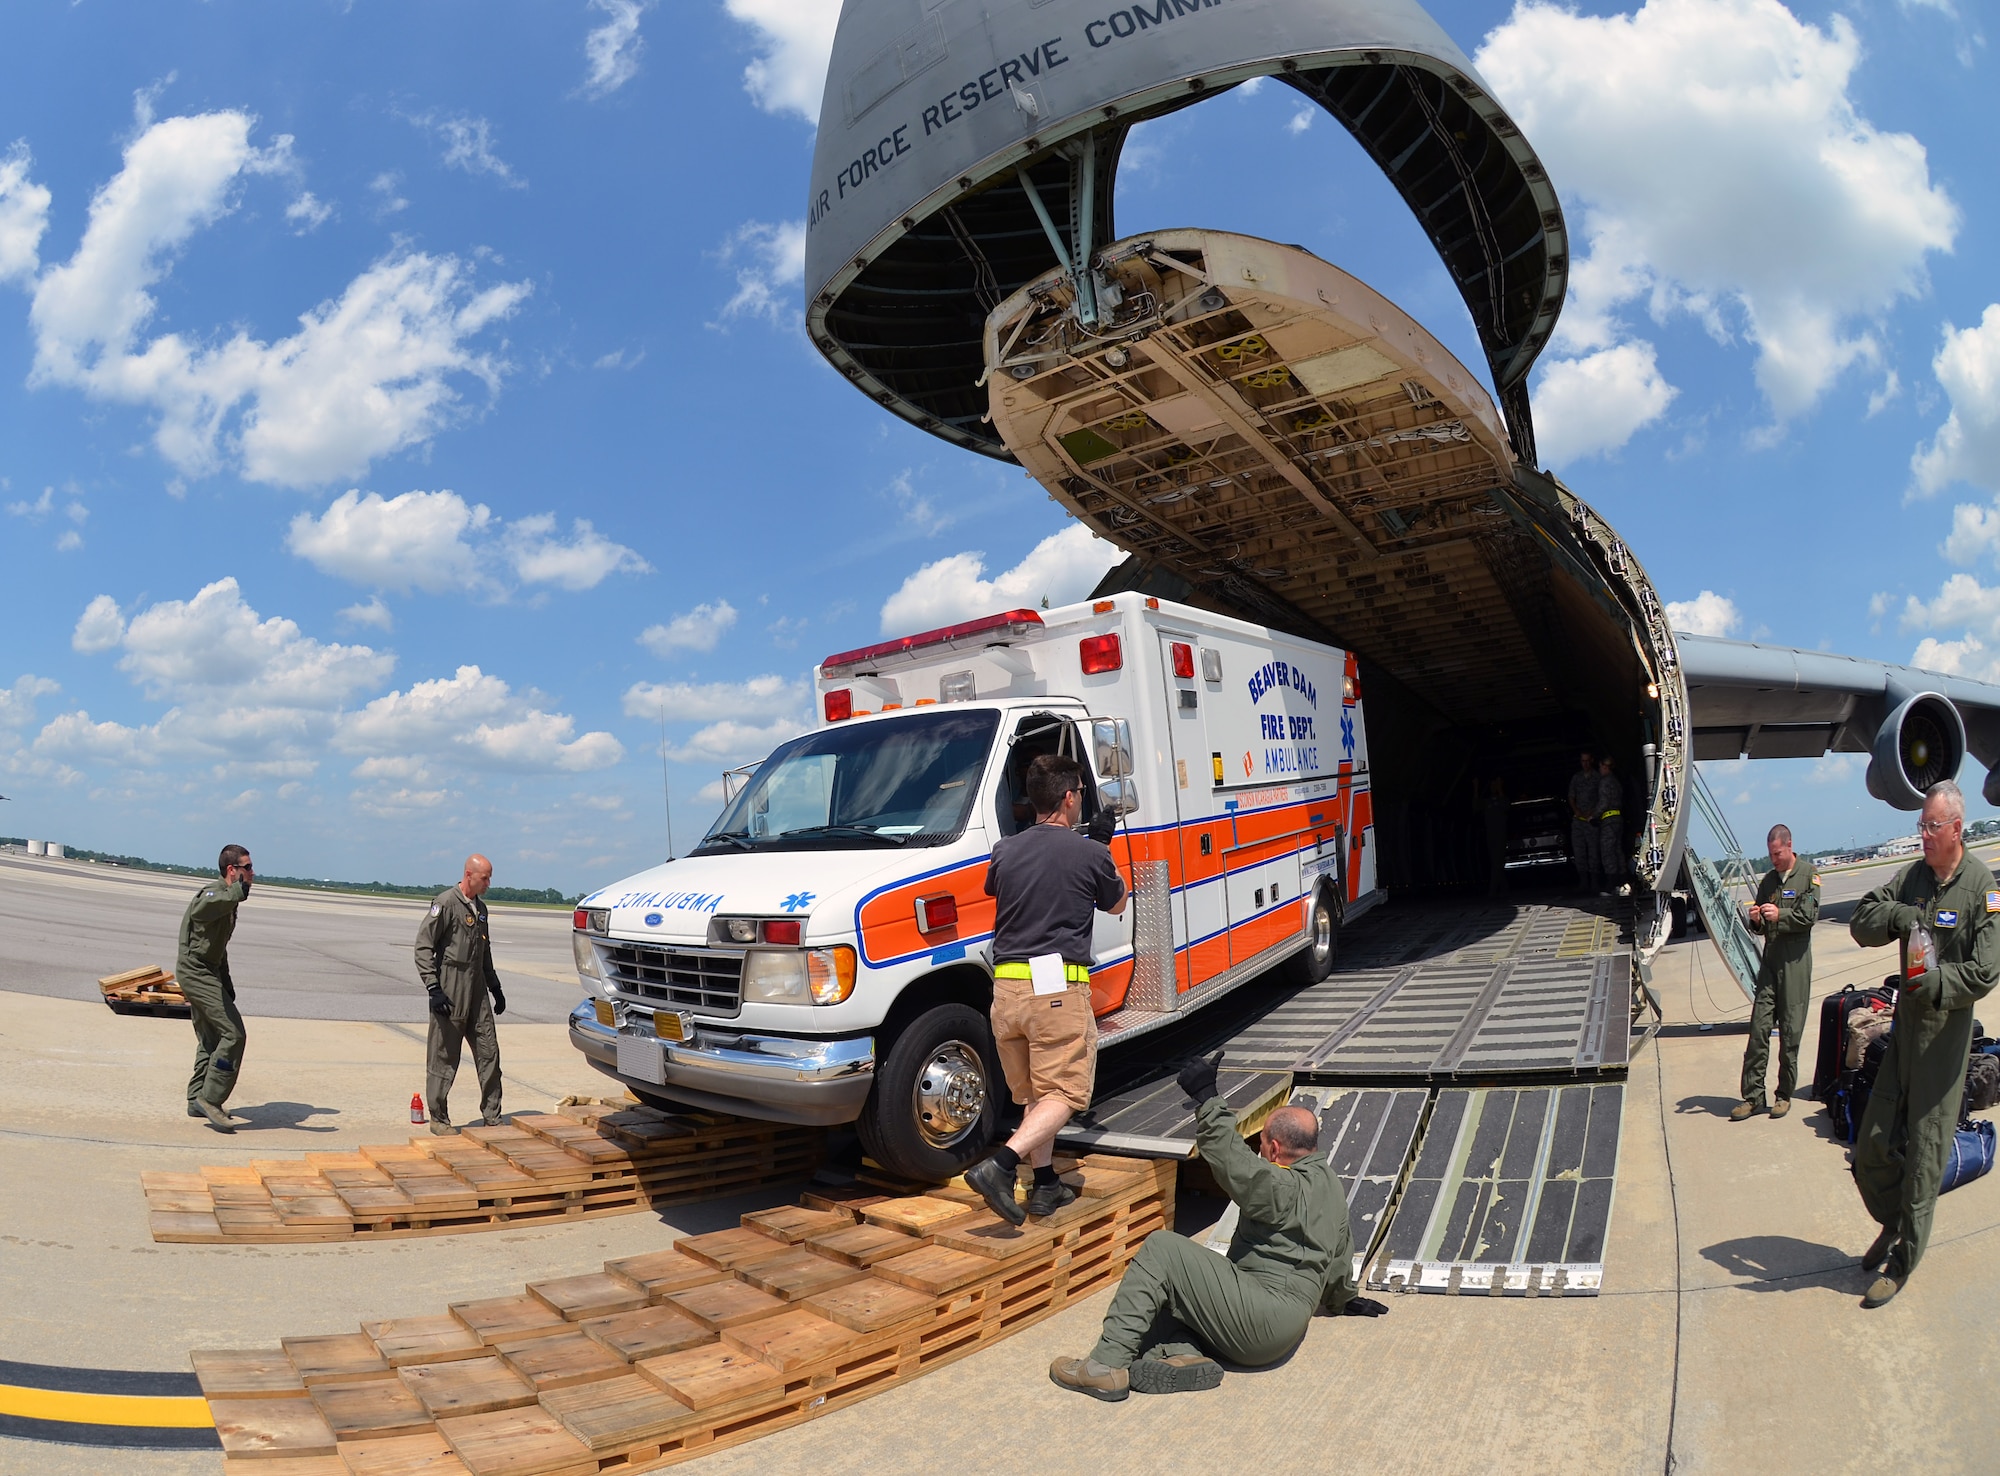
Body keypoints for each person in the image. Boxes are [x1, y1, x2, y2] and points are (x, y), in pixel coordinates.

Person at [1048, 1053, 1385, 1400]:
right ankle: (1184, 1355)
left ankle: (1103, 1367)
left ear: (1273, 1147)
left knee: (1163, 1249)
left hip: (1260, 1320)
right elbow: (1340, 1256)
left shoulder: (1281, 1186)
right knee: (1170, 1296)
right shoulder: (1331, 1187)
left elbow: (1231, 1158)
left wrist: (1208, 1098)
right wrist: (1345, 1300)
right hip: (1286, 1325)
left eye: (1261, 1145)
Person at [1848, 780, 1998, 1308]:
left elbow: (1986, 969)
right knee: (1872, 1144)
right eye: (1921, 826)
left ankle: (1902, 1260)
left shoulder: (1983, 888)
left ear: (1956, 828)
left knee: (1925, 1155)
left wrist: (1938, 984)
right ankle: (1892, 1221)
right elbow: (1864, 920)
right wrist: (1900, 915)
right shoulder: (1913, 877)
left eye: (1932, 826)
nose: (1924, 835)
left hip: (1943, 1043)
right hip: (1905, 1033)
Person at [964, 753, 1127, 1224]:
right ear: (1070, 797)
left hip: (1007, 994)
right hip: (1057, 992)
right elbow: (1116, 905)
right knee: (1066, 1094)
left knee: (1037, 1093)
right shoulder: (1090, 852)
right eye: (1078, 792)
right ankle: (1001, 1166)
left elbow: (1004, 888)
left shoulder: (1006, 850)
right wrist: (1100, 845)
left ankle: (1046, 1185)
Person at [1731, 824, 1821, 1121]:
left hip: (1795, 963)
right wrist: (1755, 919)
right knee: (1759, 1029)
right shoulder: (1769, 880)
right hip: (1771, 962)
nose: (1774, 860)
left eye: (1778, 854)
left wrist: (1779, 914)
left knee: (1790, 1033)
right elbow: (1758, 927)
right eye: (1771, 855)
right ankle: (1753, 1096)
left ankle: (1784, 1095)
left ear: (1789, 845)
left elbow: (1809, 916)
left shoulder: (1808, 874)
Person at [415, 854, 508, 1135]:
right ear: (469, 874)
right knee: (443, 1056)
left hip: (477, 989)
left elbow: (485, 952)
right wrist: (433, 988)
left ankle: (492, 1114)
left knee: (489, 1052)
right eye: (485, 878)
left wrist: (495, 987)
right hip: (450, 988)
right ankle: (439, 1119)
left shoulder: (481, 910)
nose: (488, 883)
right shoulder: (445, 904)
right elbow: (422, 947)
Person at [178, 844, 254, 1133]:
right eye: (246, 867)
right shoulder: (213, 894)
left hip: (208, 971)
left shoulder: (227, 901)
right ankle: (211, 1099)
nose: (252, 873)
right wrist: (237, 891)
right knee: (233, 1034)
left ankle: (196, 1099)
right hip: (195, 972)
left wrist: (226, 983)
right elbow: (202, 909)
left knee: (210, 1039)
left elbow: (218, 949)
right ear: (232, 871)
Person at [1567, 750, 1599, 894]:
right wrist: (1576, 810)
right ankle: (1583, 882)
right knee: (1579, 853)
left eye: (1587, 761)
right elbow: (1571, 796)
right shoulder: (1576, 778)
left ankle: (1594, 882)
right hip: (1579, 821)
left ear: (1591, 760)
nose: (1585, 764)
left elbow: (1602, 798)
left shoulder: (1597, 777)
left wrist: (1592, 812)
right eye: (1582, 761)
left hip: (1591, 821)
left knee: (1593, 852)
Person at [1596, 755, 1625, 896]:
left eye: (1600, 766)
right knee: (1617, 850)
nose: (1599, 769)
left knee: (1608, 852)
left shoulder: (1605, 782)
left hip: (1608, 820)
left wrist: (1593, 816)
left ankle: (1611, 884)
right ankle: (1622, 881)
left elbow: (1603, 803)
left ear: (1605, 766)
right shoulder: (1616, 781)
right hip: (1618, 819)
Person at [1481, 776, 1509, 898]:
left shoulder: (1502, 800)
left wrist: (1500, 788)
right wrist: (1476, 787)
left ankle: (1492, 892)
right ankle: (1505, 888)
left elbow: (1506, 806)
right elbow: (1475, 806)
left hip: (1500, 835)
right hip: (1490, 835)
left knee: (1497, 863)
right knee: (1496, 863)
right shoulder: (1486, 801)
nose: (1494, 788)